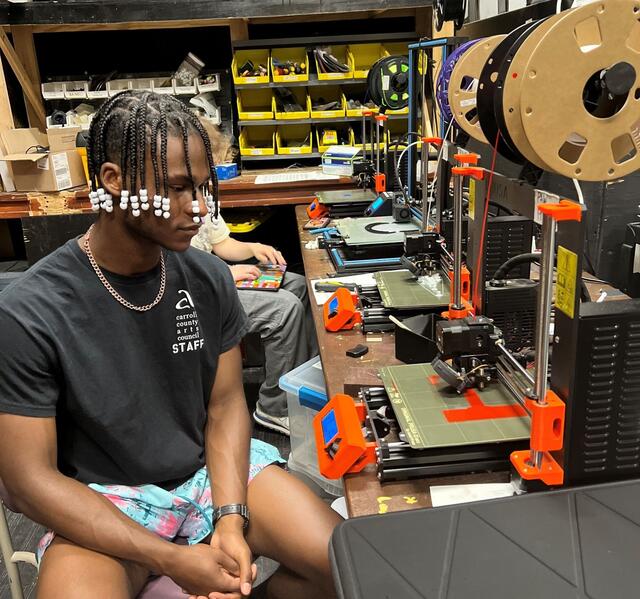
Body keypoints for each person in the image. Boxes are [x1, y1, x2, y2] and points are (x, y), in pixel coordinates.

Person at [0, 90, 340, 599]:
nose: (198, 208)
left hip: (207, 475)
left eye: (201, 188)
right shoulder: (30, 311)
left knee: (353, 566)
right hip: (106, 498)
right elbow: (29, 481)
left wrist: (229, 518)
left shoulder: (207, 278)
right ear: (113, 181)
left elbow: (225, 406)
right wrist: (175, 560)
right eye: (178, 188)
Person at [192, 215, 318, 436]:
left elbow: (221, 243)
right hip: (196, 289)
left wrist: (253, 248)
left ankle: (303, 389)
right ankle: (276, 407)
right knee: (284, 310)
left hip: (215, 274)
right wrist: (225, 273)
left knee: (300, 286)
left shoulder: (203, 194)